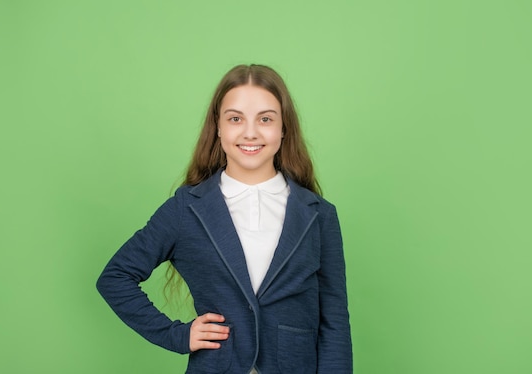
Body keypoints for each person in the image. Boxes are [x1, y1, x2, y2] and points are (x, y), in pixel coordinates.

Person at [96, 64, 352, 373]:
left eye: (266, 119)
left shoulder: (319, 214)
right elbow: (115, 277)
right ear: (218, 128)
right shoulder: (186, 209)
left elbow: (334, 320)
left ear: (284, 129)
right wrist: (178, 335)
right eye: (235, 119)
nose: (250, 132)